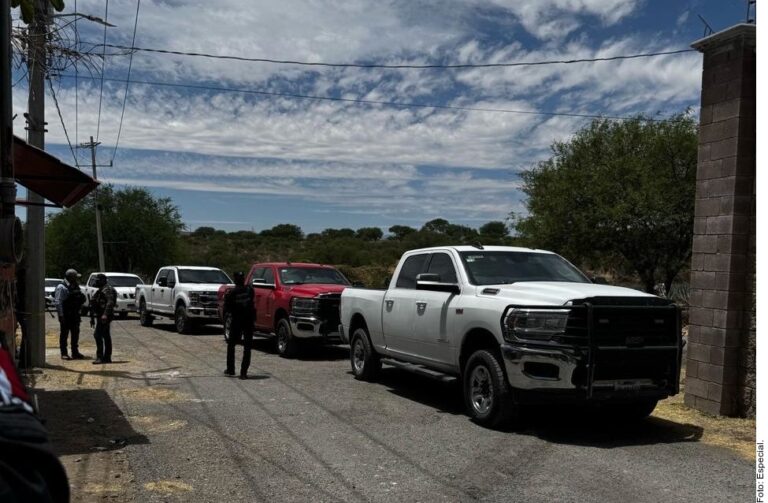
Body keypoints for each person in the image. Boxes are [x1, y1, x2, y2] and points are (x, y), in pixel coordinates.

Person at [224, 271, 255, 379]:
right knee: (247, 347)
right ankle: (243, 372)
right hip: (248, 321)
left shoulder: (232, 293)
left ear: (235, 280)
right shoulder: (250, 290)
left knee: (231, 345)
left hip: (237, 321)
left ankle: (231, 369)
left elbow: (227, 308)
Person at [54, 269, 86, 360]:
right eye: (75, 277)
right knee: (64, 334)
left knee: (75, 334)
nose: (76, 279)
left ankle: (75, 352)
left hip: (75, 314)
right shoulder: (61, 287)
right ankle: (64, 353)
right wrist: (61, 315)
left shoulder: (75, 286)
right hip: (66, 315)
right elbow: (58, 302)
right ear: (70, 277)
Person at [89, 274, 117, 364]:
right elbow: (94, 303)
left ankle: (100, 357)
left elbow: (110, 302)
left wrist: (105, 314)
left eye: (97, 280)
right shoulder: (100, 290)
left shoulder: (107, 289)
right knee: (105, 335)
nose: (95, 282)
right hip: (100, 315)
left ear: (102, 281)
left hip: (105, 316)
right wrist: (92, 317)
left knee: (97, 335)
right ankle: (107, 357)